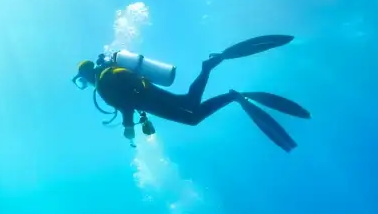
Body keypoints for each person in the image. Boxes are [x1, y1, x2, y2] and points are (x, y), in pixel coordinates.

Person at [72, 35, 310, 151]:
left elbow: (125, 104)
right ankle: (217, 79)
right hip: (148, 96)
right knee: (190, 105)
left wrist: (128, 128)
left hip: (148, 98)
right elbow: (129, 95)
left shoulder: (103, 84)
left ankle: (227, 90)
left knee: (192, 114)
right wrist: (139, 116)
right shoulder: (109, 74)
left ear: (86, 77)